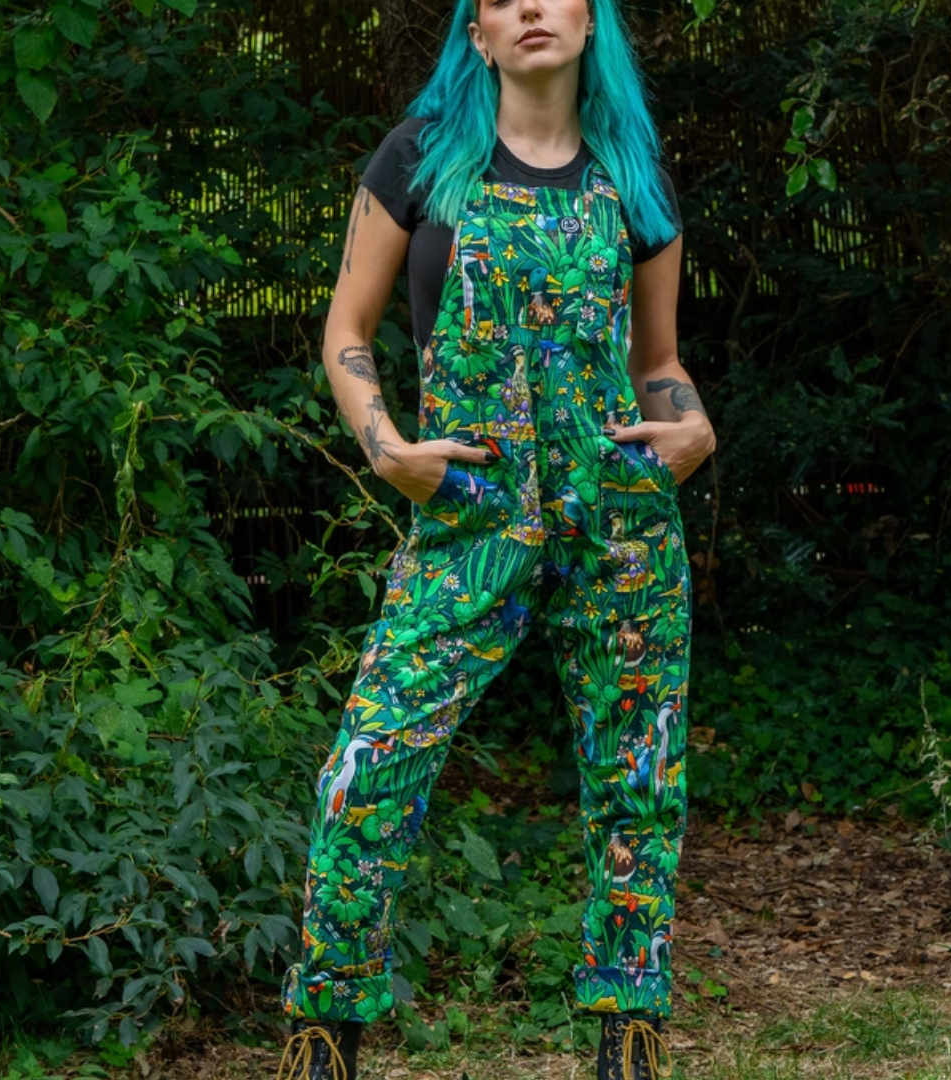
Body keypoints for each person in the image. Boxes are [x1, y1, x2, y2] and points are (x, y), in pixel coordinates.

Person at [276, 1, 716, 1077]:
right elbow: (345, 331)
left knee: (636, 780)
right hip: (470, 515)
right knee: (369, 765)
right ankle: (324, 1034)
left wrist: (695, 426)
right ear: (476, 34)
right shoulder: (421, 159)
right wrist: (388, 450)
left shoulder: (636, 175)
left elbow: (658, 361)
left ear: (589, 21)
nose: (529, 7)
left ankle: (629, 1037)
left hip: (617, 522)